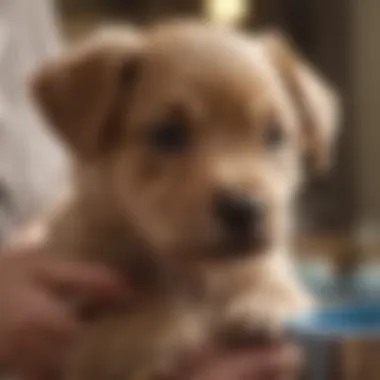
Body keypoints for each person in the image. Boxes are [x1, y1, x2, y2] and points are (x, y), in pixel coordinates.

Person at [0, 1, 299, 379]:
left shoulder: (258, 276)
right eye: (169, 137)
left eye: (271, 137)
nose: (239, 188)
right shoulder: (87, 256)